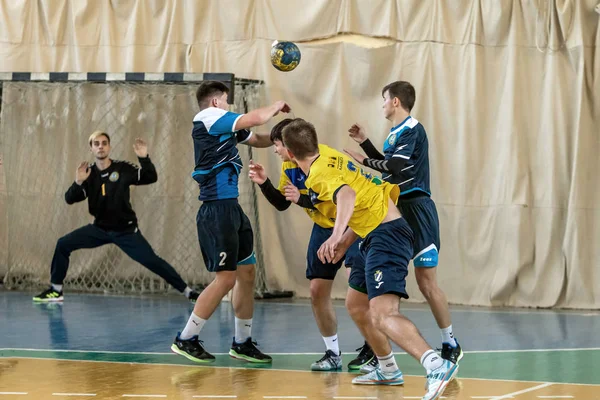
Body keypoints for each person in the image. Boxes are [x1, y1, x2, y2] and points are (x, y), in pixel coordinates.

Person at [282, 118, 458, 399]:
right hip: (372, 231)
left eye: (279, 147)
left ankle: (436, 365)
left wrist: (335, 236)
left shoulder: (316, 175)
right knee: (356, 305)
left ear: (290, 154)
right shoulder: (330, 154)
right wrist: (347, 241)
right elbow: (364, 199)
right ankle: (388, 369)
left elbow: (348, 196)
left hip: (387, 235)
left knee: (383, 314)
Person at [170, 81, 290, 364]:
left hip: (232, 208)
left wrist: (283, 136)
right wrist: (276, 106)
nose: (228, 107)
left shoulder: (224, 128)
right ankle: (186, 338)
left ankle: (242, 342)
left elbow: (258, 138)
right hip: (216, 211)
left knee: (247, 273)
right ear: (215, 103)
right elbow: (257, 117)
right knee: (226, 279)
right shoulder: (208, 118)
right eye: (226, 101)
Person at [345, 81, 463, 365]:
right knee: (375, 279)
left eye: (384, 98)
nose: (382, 104)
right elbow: (389, 165)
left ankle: (450, 342)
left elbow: (396, 168)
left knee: (426, 281)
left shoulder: (412, 129)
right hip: (392, 210)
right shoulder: (396, 134)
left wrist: (362, 159)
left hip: (416, 208)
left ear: (396, 101)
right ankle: (374, 347)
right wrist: (365, 142)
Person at [248, 118, 375, 372]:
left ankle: (374, 349)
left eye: (277, 145)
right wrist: (264, 183)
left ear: (290, 146)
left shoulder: (324, 160)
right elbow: (285, 202)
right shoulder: (290, 167)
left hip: (351, 224)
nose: (274, 150)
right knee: (317, 290)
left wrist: (304, 200)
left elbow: (341, 198)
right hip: (323, 226)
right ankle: (332, 352)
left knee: (358, 292)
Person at [33, 132, 198, 303]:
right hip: (100, 229)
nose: (100, 146)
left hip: (126, 230)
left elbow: (150, 177)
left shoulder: (122, 168)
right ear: (91, 148)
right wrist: (78, 182)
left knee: (153, 261)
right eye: (96, 144)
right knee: (63, 244)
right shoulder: (88, 174)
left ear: (109, 147)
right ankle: (56, 290)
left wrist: (144, 158)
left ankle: (188, 292)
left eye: (104, 143)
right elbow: (69, 199)